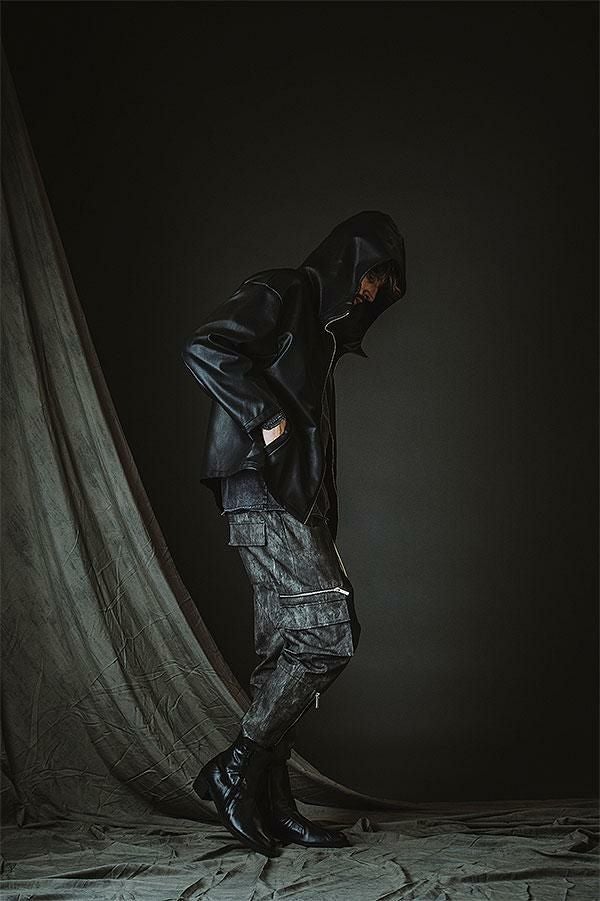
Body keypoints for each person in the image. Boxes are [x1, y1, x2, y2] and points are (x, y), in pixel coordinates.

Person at [182, 210, 406, 855]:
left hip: (288, 497)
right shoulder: (284, 290)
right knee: (328, 634)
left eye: (383, 282)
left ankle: (274, 804)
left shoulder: (323, 333)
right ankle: (236, 768)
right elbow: (206, 347)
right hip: (261, 488)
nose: (372, 290)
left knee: (281, 647)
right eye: (371, 273)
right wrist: (266, 419)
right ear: (347, 259)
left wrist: (322, 503)